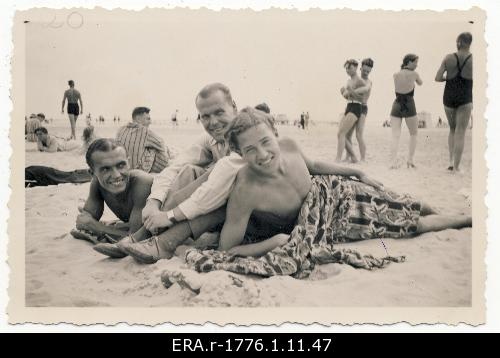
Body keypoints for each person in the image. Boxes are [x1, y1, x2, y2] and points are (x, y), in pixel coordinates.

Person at [210, 107, 472, 259]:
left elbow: (314, 167)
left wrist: (355, 173)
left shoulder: (289, 145)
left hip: (338, 192)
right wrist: (273, 242)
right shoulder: (246, 190)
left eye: (266, 142)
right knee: (414, 225)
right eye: (250, 150)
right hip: (330, 223)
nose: (263, 154)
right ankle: (467, 219)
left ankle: (450, 215)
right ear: (239, 154)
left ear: (275, 134)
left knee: (409, 202)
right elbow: (227, 249)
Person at [94, 83, 245, 260]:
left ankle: (159, 241)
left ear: (234, 107)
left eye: (219, 112)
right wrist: (154, 202)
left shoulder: (248, 138)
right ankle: (145, 236)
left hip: (246, 214)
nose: (213, 122)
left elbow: (213, 192)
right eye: (205, 116)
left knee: (215, 174)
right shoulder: (211, 140)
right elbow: (174, 167)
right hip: (215, 208)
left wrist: (169, 216)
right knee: (189, 170)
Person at [70, 139, 153, 244]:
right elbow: (85, 220)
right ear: (92, 173)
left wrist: (97, 227)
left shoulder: (142, 183)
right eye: (105, 169)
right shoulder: (97, 184)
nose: (116, 175)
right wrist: (89, 222)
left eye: (121, 165)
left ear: (129, 163)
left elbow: (136, 238)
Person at [435, 32, 473, 173]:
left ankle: (450, 162)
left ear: (459, 42)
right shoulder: (474, 59)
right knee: (461, 132)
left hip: (449, 96)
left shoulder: (449, 57)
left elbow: (438, 77)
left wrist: (449, 78)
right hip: (465, 96)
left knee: (452, 129)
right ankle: (457, 167)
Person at [389, 54, 423, 169]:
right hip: (409, 104)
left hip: (397, 104)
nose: (417, 65)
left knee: (395, 135)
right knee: (413, 134)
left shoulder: (396, 74)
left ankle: (393, 162)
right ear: (409, 62)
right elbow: (420, 83)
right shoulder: (414, 74)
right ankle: (410, 160)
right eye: (415, 62)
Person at [115, 107, 170, 174]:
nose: (150, 122)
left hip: (121, 169)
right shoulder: (145, 131)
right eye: (148, 119)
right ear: (138, 119)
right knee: (155, 148)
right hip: (138, 172)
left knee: (149, 144)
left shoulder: (120, 129)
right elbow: (161, 144)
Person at [344, 58, 374, 162]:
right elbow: (347, 95)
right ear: (360, 68)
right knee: (347, 134)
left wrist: (350, 91)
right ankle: (348, 156)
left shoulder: (369, 82)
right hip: (353, 106)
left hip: (363, 108)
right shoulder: (354, 79)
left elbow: (366, 89)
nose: (366, 73)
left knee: (359, 134)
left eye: (368, 71)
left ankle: (363, 158)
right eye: (364, 70)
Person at [337, 59, 366, 162]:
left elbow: (362, 99)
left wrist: (350, 91)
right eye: (346, 68)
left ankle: (338, 159)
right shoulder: (349, 81)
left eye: (350, 68)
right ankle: (352, 157)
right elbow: (348, 97)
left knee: (341, 133)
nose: (347, 70)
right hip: (349, 106)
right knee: (347, 136)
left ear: (356, 68)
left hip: (356, 107)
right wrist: (343, 93)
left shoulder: (360, 81)